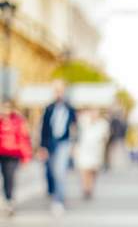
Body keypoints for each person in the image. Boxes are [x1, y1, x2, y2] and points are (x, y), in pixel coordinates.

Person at [38, 80, 77, 215]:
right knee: (51, 171)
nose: (59, 93)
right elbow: (43, 129)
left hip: (64, 143)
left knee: (60, 172)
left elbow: (75, 128)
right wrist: (42, 147)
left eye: (61, 90)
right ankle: (54, 192)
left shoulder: (70, 108)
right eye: (56, 91)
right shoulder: (49, 108)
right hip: (50, 143)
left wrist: (74, 146)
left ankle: (58, 200)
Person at [0, 99, 32, 216]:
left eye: (8, 108)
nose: (5, 110)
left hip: (13, 154)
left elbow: (23, 138)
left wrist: (26, 156)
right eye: (4, 108)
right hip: (1, 153)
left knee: (10, 178)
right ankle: (6, 198)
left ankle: (9, 200)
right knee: (4, 177)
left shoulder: (18, 121)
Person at [74, 108, 110, 199]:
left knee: (93, 171)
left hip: (96, 151)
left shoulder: (103, 124)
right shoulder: (83, 122)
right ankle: (86, 189)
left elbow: (106, 137)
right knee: (84, 170)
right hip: (83, 149)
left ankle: (90, 186)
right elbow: (76, 135)